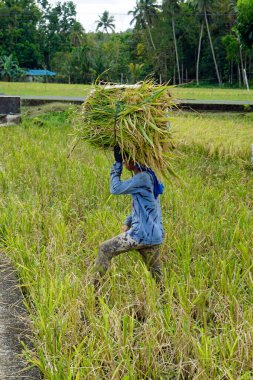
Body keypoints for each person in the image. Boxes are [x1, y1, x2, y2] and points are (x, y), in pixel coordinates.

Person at [94, 145, 164, 287]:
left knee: (104, 249)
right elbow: (146, 205)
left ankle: (94, 289)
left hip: (140, 235)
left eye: (125, 159)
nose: (125, 162)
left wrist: (117, 164)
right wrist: (128, 221)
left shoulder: (143, 178)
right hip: (154, 235)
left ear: (134, 160)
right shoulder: (150, 175)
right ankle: (166, 300)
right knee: (157, 277)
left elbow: (115, 189)